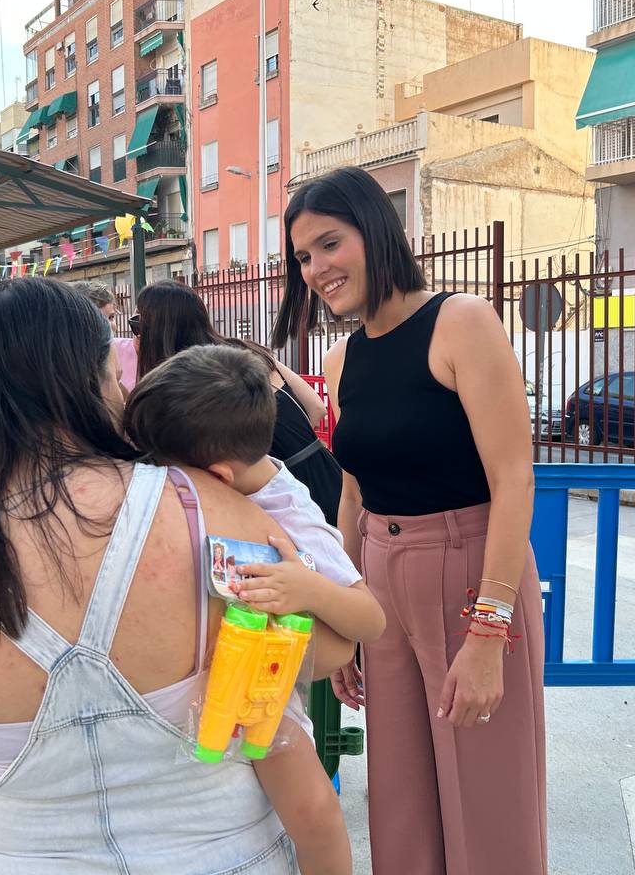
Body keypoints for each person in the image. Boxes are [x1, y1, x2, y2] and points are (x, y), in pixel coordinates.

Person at [0, 277, 355, 873]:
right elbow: (330, 648)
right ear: (90, 380)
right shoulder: (200, 502)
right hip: (220, 852)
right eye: (114, 371)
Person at [271, 166, 547, 875]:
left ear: (376, 230)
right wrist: (347, 612)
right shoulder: (342, 357)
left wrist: (491, 629)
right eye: (303, 258)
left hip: (470, 568)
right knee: (398, 800)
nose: (317, 270)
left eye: (329, 245)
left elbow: (513, 478)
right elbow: (354, 496)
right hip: (382, 581)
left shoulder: (461, 322)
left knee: (488, 797)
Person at [125, 343, 386, 875]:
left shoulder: (291, 516)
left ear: (217, 477)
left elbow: (369, 619)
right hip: (211, 683)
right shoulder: (223, 483)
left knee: (312, 812)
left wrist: (306, 588)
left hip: (265, 691)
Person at [134, 281, 341, 524]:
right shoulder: (246, 351)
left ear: (157, 331)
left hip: (272, 500)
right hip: (327, 474)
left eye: (137, 324)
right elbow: (316, 407)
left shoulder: (186, 387)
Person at [69, 280, 139, 393]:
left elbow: (124, 402)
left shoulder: (114, 350)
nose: (108, 325)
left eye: (111, 317)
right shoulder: (74, 362)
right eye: (99, 319)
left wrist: (116, 379)